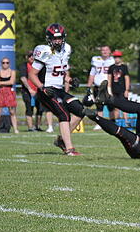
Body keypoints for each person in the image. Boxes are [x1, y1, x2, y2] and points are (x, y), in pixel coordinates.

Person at [29, 23, 86, 156]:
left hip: (59, 89)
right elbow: (32, 74)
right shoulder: (44, 52)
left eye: (59, 38)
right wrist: (42, 87)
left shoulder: (66, 49)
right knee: (63, 114)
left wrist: (70, 80)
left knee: (80, 110)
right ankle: (69, 149)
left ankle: (61, 140)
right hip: (46, 90)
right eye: (55, 38)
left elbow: (62, 71)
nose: (57, 41)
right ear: (49, 39)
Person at [87, 45, 114, 127]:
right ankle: (100, 124)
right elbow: (92, 73)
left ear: (110, 51)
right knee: (99, 106)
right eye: (103, 50)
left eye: (106, 50)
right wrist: (89, 86)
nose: (105, 52)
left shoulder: (112, 60)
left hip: (109, 87)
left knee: (111, 106)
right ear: (100, 51)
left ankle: (112, 123)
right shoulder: (96, 60)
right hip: (98, 86)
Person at [17, 51, 44, 132]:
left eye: (33, 56)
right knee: (29, 108)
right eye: (30, 56)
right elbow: (23, 78)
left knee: (40, 109)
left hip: (38, 90)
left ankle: (38, 126)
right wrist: (30, 89)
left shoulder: (39, 66)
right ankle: (30, 127)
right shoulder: (24, 66)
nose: (31, 57)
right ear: (26, 57)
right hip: (27, 91)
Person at [106, 50, 130, 125]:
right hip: (114, 90)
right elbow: (109, 79)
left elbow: (127, 78)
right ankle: (117, 122)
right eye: (115, 57)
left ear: (120, 58)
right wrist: (109, 90)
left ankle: (126, 121)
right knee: (115, 107)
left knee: (125, 106)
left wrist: (127, 90)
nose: (117, 59)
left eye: (118, 57)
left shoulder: (124, 67)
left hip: (122, 89)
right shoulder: (111, 67)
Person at [0, 57, 19, 133]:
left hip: (9, 92)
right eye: (3, 63)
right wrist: (6, 82)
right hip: (1, 92)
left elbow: (12, 82)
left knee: (12, 112)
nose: (5, 64)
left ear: (9, 64)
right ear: (1, 63)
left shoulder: (12, 72)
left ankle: (15, 129)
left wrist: (2, 83)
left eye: (7, 62)